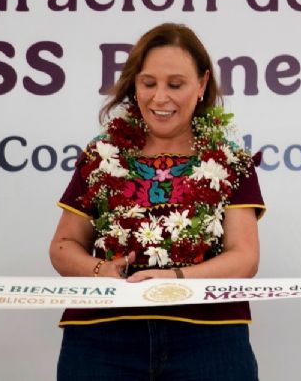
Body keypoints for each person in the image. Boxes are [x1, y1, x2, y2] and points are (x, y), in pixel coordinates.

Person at [49, 23, 266, 380]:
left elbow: (244, 257)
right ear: (134, 85)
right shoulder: (100, 156)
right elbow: (63, 246)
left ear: (202, 85)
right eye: (148, 83)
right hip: (102, 339)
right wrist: (104, 271)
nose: (159, 98)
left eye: (175, 84)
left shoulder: (231, 162)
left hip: (208, 340)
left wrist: (175, 278)